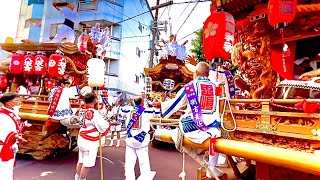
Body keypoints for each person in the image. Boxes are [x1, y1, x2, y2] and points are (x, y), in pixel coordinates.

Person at [160, 62, 224, 178]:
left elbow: (176, 104)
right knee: (215, 134)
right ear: (208, 74)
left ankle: (204, 160)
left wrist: (161, 106)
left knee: (181, 123)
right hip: (213, 128)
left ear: (195, 73)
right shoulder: (216, 87)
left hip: (193, 127)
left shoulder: (191, 86)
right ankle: (212, 167)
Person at [75, 93, 117, 180]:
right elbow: (103, 126)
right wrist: (109, 124)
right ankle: (82, 179)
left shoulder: (82, 110)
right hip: (89, 140)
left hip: (82, 137)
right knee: (88, 164)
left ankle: (77, 177)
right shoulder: (94, 112)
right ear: (94, 100)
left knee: (81, 160)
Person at [124, 96, 159, 180]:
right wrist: (157, 103)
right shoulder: (148, 111)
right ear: (142, 103)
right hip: (141, 140)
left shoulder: (127, 110)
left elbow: (120, 111)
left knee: (129, 162)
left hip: (130, 139)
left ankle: (129, 178)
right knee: (143, 162)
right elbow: (158, 114)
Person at [0, 92, 30, 180]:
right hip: (4, 146)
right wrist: (17, 137)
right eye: (16, 100)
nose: (19, 102)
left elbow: (14, 125)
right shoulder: (3, 115)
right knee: (4, 168)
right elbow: (4, 131)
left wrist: (23, 125)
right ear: (8, 103)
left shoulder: (11, 112)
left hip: (11, 145)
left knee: (8, 168)